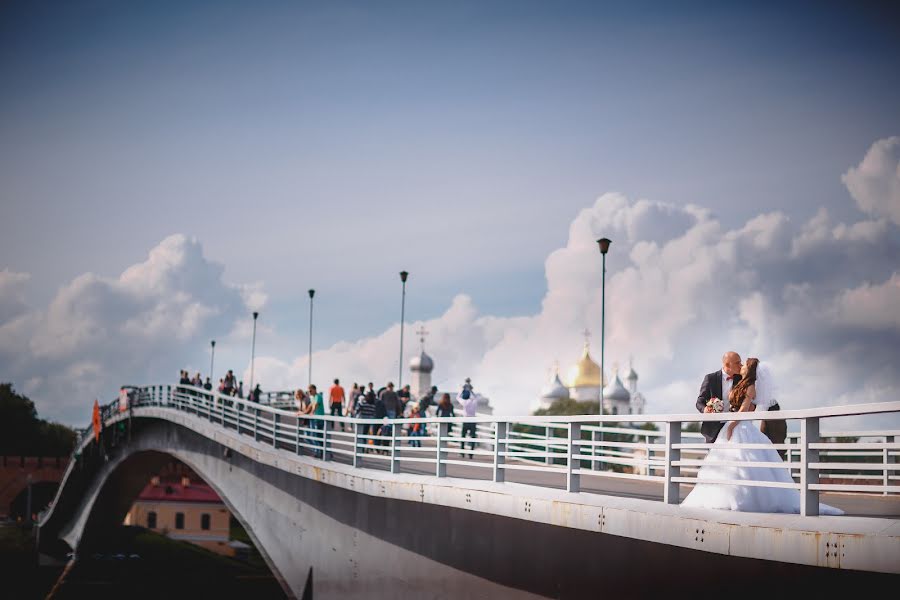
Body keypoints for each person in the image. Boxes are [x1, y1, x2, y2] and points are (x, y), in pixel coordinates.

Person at [681, 358, 843, 515]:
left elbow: (744, 409)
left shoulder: (750, 387)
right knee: (726, 464)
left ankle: (744, 499)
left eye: (744, 364)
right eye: (739, 363)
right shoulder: (736, 381)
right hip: (728, 425)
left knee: (743, 462)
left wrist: (731, 425)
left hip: (739, 426)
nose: (742, 365)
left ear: (750, 369)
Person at [696, 352, 743, 444]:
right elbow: (699, 401)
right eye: (737, 363)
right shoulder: (710, 378)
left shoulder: (741, 380)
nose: (741, 365)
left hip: (735, 427)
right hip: (713, 429)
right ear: (727, 364)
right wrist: (705, 409)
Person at [457, 388, 480, 458]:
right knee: (473, 437)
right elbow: (476, 397)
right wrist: (471, 390)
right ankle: (471, 453)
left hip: (466, 420)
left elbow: (457, 397)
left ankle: (462, 452)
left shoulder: (464, 402)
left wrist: (461, 390)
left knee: (463, 436)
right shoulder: (474, 402)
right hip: (473, 421)